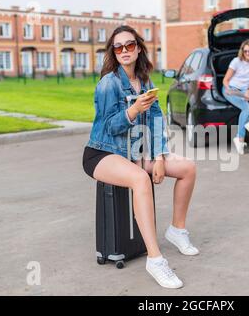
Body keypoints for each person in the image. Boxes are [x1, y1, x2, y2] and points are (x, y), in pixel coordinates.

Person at [82, 25, 198, 289]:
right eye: (119, 46)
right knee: (140, 179)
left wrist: (158, 157)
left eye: (130, 45)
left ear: (138, 48)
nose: (124, 50)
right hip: (102, 152)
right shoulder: (108, 83)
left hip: (134, 152)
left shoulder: (145, 81)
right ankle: (155, 260)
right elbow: (108, 127)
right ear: (113, 50)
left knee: (188, 168)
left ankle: (177, 230)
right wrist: (133, 110)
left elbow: (156, 119)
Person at [222, 39, 249, 155]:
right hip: (231, 89)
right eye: (245, 51)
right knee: (246, 108)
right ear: (242, 51)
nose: (247, 53)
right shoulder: (236, 61)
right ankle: (240, 139)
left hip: (245, 90)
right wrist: (229, 89)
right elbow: (225, 80)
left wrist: (248, 92)